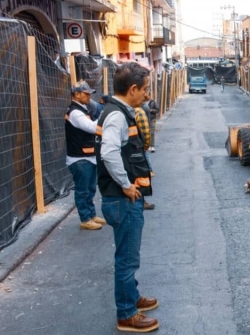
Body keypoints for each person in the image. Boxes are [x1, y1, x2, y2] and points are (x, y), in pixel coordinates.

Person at [96, 62, 159, 333]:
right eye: (144, 89)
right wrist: (125, 185)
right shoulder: (117, 116)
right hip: (122, 199)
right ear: (132, 88)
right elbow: (109, 153)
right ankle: (127, 314)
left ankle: (132, 299)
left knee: (128, 255)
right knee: (127, 258)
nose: (147, 95)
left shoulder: (119, 112)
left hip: (122, 198)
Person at [65, 80, 106, 230]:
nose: (89, 96)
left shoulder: (82, 109)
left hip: (87, 157)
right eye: (86, 93)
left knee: (90, 189)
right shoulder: (75, 112)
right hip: (79, 158)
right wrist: (104, 116)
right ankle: (85, 218)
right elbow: (91, 128)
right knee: (83, 190)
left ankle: (91, 215)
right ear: (76, 94)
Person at [134, 105, 155, 210]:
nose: (146, 95)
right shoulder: (139, 111)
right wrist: (145, 147)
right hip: (137, 149)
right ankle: (139, 201)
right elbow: (146, 134)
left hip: (132, 149)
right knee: (139, 176)